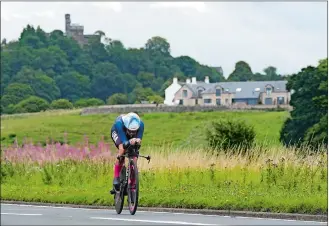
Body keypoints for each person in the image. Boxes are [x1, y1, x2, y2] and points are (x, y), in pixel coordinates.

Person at [109, 112, 144, 194]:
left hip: (128, 133)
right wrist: (129, 142)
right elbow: (125, 143)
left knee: (135, 152)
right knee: (122, 150)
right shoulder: (119, 123)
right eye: (130, 131)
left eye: (134, 131)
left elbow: (139, 142)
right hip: (118, 132)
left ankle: (132, 175)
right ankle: (116, 177)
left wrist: (137, 141)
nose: (132, 133)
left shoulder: (141, 125)